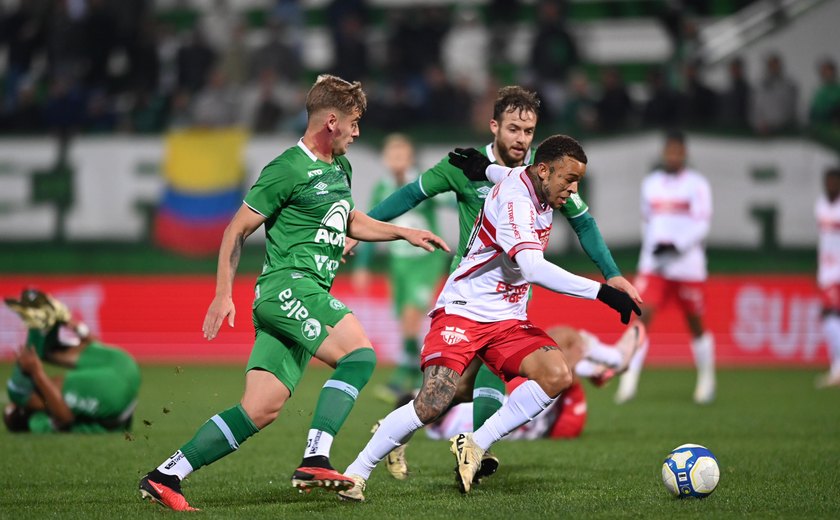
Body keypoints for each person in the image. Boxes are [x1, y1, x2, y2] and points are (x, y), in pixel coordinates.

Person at [137, 74, 449, 512]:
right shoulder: (287, 168)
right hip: (290, 288)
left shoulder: (340, 166)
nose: (358, 133)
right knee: (359, 356)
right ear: (331, 122)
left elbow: (347, 218)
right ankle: (315, 457)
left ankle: (166, 475)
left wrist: (402, 232)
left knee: (259, 409)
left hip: (297, 295)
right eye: (355, 123)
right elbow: (235, 230)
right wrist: (222, 293)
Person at [344, 85, 640, 482]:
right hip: (469, 296)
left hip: (511, 301)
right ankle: (433, 443)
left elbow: (583, 221)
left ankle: (458, 445)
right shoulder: (469, 168)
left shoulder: (546, 173)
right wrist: (357, 230)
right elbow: (410, 195)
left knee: (469, 387)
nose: (522, 139)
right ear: (494, 126)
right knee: (452, 390)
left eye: (529, 131)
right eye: (514, 129)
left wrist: (612, 274)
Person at [615, 130, 714, 405]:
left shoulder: (697, 184)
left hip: (687, 265)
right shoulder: (651, 183)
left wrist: (677, 245)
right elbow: (647, 221)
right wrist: (654, 246)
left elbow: (702, 223)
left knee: (695, 322)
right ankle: (628, 381)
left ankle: (707, 379)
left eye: (677, 151)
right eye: (669, 151)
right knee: (642, 317)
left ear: (684, 153)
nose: (672, 156)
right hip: (655, 264)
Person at [425, 323, 646, 442]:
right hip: (551, 418)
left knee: (554, 348)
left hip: (547, 422)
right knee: (561, 337)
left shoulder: (443, 429)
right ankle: (613, 360)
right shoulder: (449, 415)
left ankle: (595, 368)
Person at [352, 134, 447, 401]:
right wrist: (362, 265)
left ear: (409, 158)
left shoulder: (421, 184)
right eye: (392, 155)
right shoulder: (382, 188)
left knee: (410, 317)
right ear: (385, 158)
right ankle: (409, 374)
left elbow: (446, 200)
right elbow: (370, 224)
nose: (396, 160)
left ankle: (414, 377)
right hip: (399, 264)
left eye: (401, 155)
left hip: (424, 261)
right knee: (404, 320)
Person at [4, 289, 140, 434]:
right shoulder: (35, 421)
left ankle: (42, 324)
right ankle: (46, 321)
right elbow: (64, 418)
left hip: (117, 394)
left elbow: (65, 418)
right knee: (21, 392)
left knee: (28, 381)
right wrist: (76, 326)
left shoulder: (37, 420)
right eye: (15, 406)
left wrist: (37, 372)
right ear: (23, 412)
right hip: (126, 365)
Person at [815, 166, 840, 388]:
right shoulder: (821, 205)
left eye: (835, 181)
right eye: (828, 181)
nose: (830, 185)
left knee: (829, 314)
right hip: (827, 272)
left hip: (838, 273)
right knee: (831, 316)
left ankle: (838, 369)